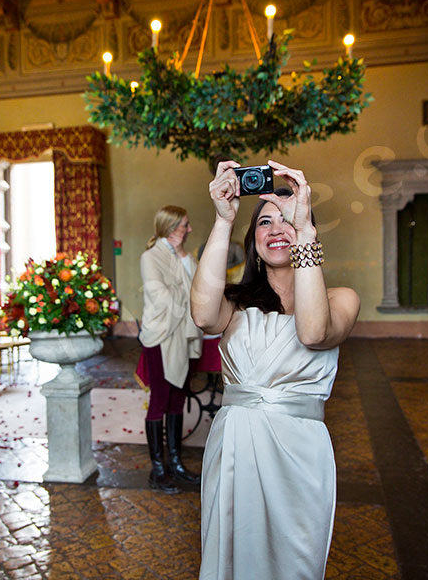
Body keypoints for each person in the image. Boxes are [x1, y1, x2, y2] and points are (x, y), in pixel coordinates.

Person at [191, 160, 361, 579]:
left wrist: (305, 233)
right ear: (253, 240)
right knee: (230, 558)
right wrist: (222, 219)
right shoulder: (235, 305)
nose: (276, 229)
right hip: (235, 449)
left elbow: (312, 331)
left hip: (300, 454)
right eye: (266, 222)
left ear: (308, 230)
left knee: (295, 562)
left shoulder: (342, 298)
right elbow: (201, 315)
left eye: (288, 220)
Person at [137, 205, 203, 493]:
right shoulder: (149, 257)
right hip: (162, 334)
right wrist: (186, 291)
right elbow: (159, 296)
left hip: (185, 333)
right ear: (171, 227)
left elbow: (202, 287)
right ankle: (158, 469)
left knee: (178, 398)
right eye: (185, 225)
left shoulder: (185, 256)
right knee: (160, 399)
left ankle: (175, 462)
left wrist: (184, 261)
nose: (189, 230)